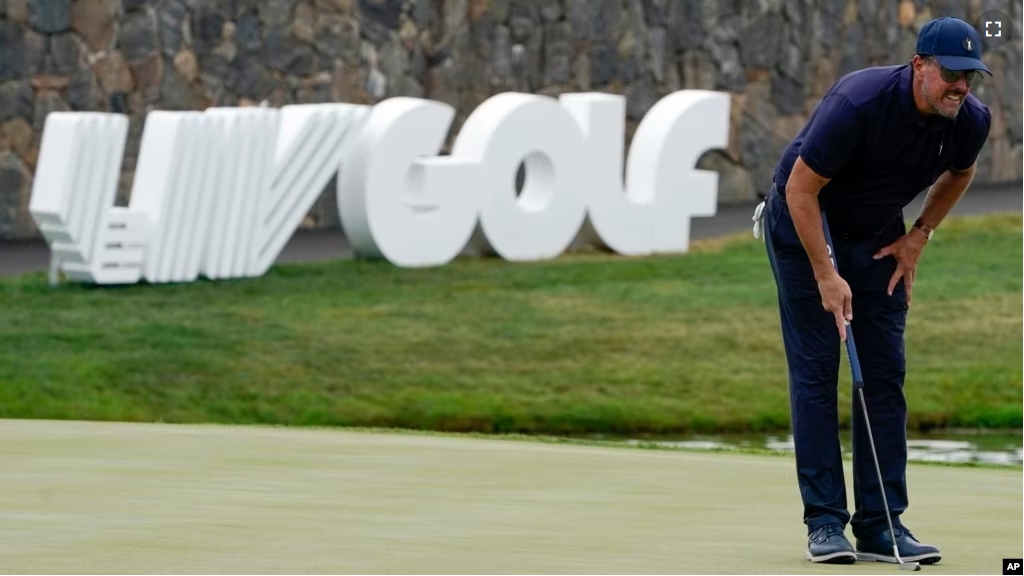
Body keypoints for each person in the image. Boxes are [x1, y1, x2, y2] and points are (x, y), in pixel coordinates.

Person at [755, 16, 992, 565]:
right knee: (818, 369)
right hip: (803, 223)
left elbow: (960, 173)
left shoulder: (968, 119)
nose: (961, 86)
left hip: (878, 232)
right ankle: (825, 523)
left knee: (884, 373)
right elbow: (800, 188)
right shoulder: (857, 103)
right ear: (919, 66)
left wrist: (919, 236)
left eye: (970, 76)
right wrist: (825, 274)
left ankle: (883, 524)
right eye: (951, 74)